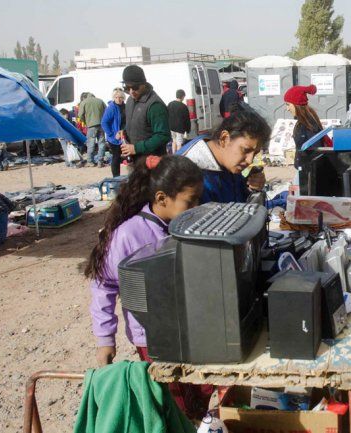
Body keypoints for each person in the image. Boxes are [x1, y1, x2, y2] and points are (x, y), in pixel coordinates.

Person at [84, 154, 212, 419]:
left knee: (203, 394)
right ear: (162, 198)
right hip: (154, 339)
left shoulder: (187, 224)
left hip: (193, 332)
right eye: (191, 201)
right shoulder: (129, 235)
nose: (197, 206)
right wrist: (105, 339)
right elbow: (104, 284)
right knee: (174, 404)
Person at [178, 107, 271, 204]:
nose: (250, 160)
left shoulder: (227, 161)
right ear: (224, 139)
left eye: (255, 154)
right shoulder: (186, 175)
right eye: (246, 150)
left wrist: (250, 187)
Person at [120, 65, 171, 159]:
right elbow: (136, 124)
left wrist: (136, 148)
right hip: (134, 160)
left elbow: (163, 135)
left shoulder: (155, 105)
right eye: (127, 88)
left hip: (152, 162)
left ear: (144, 84)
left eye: (135, 87)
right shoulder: (130, 101)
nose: (131, 92)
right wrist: (124, 132)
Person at [284, 84, 327, 165]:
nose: (287, 109)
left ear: (296, 104)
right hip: (303, 170)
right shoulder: (303, 122)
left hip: (307, 171)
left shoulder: (309, 123)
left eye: (288, 104)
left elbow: (316, 152)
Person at [79, 92, 108, 168]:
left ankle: (90, 161)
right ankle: (100, 162)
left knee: (91, 143)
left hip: (91, 126)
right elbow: (106, 112)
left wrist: (85, 122)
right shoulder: (100, 101)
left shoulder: (84, 102)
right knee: (101, 143)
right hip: (101, 125)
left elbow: (80, 115)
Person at [101, 88, 126, 177]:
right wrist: (112, 133)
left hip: (124, 135)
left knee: (128, 157)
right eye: (116, 97)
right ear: (113, 98)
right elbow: (104, 122)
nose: (118, 99)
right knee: (116, 157)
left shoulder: (126, 106)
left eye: (120, 97)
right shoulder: (111, 108)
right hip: (114, 138)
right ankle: (116, 177)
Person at [168, 89, 191, 154]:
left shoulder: (170, 104)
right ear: (183, 96)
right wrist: (188, 129)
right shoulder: (183, 107)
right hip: (180, 129)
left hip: (171, 127)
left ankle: (173, 154)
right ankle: (178, 157)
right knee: (179, 144)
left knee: (174, 141)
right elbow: (187, 120)